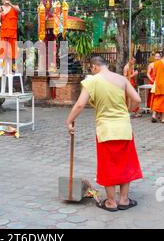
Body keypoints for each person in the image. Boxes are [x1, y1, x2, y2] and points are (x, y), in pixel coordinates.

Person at [66, 56, 143, 211]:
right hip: (124, 128)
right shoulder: (122, 79)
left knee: (108, 165)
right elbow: (137, 99)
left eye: (91, 69)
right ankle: (124, 200)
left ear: (95, 67)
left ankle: (111, 202)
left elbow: (80, 104)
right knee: (125, 163)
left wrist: (69, 121)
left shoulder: (92, 81)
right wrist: (127, 111)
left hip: (106, 129)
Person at [0, 0, 20, 71]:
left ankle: (13, 68)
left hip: (12, 33)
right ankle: (3, 68)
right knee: (3, 52)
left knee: (12, 52)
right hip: (4, 33)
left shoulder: (15, 7)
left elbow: (19, 11)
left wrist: (10, 4)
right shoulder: (1, 8)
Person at [147, 52, 161, 122]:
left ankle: (157, 114)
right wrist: (151, 79)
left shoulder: (161, 63)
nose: (157, 58)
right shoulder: (151, 64)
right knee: (154, 97)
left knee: (158, 98)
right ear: (154, 57)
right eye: (156, 56)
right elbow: (148, 73)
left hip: (158, 82)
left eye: (159, 56)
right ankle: (155, 113)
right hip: (153, 81)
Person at [150, 54, 164, 123]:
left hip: (158, 83)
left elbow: (154, 74)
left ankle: (154, 115)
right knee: (162, 101)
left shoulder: (156, 63)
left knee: (157, 99)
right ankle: (162, 118)